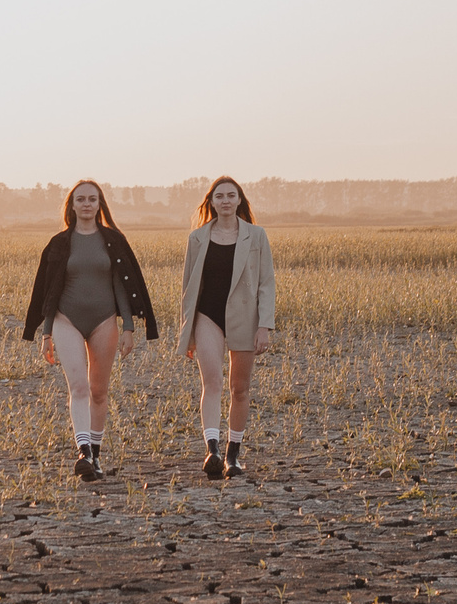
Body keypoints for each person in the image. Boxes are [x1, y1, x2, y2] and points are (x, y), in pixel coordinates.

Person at [21, 180, 159, 481]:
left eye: (92, 199)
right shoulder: (59, 243)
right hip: (65, 320)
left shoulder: (113, 240)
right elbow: (49, 292)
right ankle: (82, 451)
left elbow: (121, 285)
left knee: (99, 391)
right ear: (71, 205)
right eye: (80, 199)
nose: (86, 204)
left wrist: (128, 327)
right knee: (79, 388)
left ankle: (95, 455)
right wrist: (46, 334)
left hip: (104, 320)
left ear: (100, 204)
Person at [178, 176, 275, 481]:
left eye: (231, 195)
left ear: (239, 200)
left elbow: (266, 284)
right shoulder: (197, 238)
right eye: (219, 196)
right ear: (211, 202)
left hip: (245, 318)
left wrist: (264, 326)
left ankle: (233, 454)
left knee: (239, 388)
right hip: (207, 316)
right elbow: (189, 288)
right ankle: (213, 451)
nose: (225, 201)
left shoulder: (256, 236)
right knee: (212, 383)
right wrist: (189, 330)